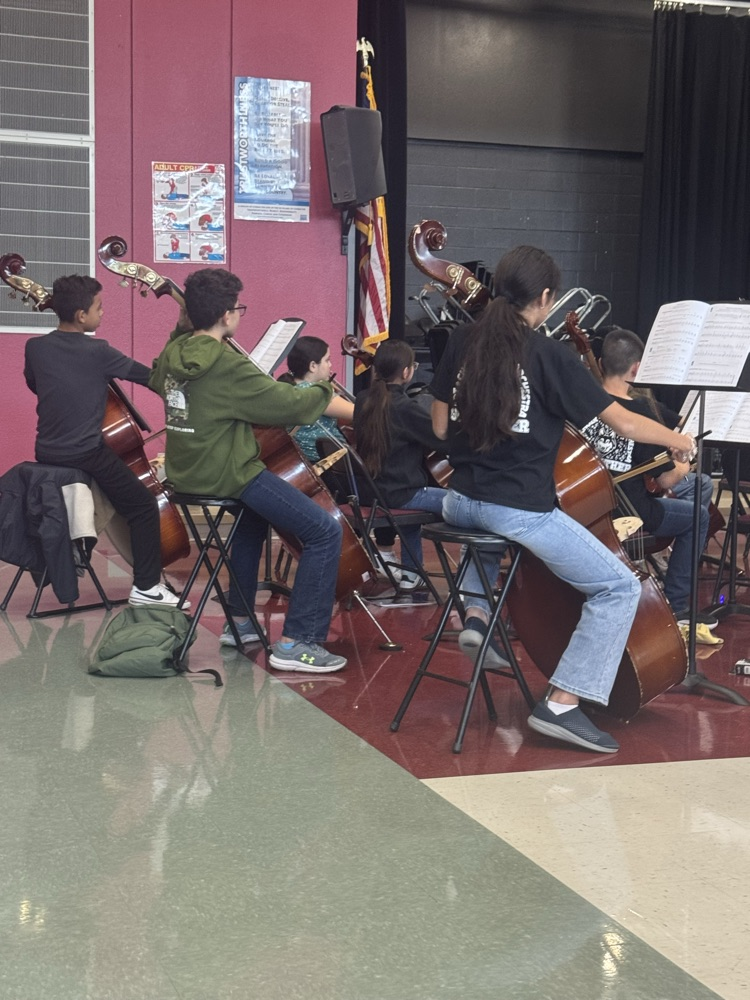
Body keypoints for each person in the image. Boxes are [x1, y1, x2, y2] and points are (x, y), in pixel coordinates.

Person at [430, 246, 695, 754]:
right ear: (546, 297)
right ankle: (561, 705)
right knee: (618, 586)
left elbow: (441, 426)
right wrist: (675, 439)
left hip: (459, 501)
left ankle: (478, 612)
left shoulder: (463, 340)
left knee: (495, 527)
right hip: (516, 511)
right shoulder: (549, 355)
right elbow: (621, 420)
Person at [149, 268, 347, 673]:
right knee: (325, 531)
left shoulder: (174, 352)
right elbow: (292, 407)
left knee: (253, 517)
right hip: (226, 472)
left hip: (186, 471)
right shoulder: (226, 364)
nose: (239, 314)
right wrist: (325, 387)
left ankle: (239, 619)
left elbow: (156, 382)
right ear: (225, 316)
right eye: (237, 308)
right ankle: (298, 642)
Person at [23, 274, 180, 608]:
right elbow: (152, 378)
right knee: (142, 506)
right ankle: (147, 587)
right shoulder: (98, 351)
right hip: (83, 453)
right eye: (99, 307)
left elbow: (37, 385)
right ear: (81, 316)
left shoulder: (35, 348)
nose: (103, 313)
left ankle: (80, 543)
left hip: (46, 450)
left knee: (110, 486)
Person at [579, 327, 714, 627]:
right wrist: (684, 465)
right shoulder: (638, 413)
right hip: (629, 509)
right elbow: (665, 481)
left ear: (600, 364)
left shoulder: (583, 403)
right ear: (637, 368)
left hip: (585, 503)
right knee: (698, 516)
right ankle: (678, 605)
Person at [353, 340, 447, 590]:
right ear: (406, 372)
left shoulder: (362, 400)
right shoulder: (406, 407)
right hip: (400, 495)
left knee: (412, 509)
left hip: (369, 493)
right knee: (467, 503)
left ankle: (410, 574)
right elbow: (441, 439)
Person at [278, 335, 353, 463]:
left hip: (307, 463)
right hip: (333, 464)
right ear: (313, 366)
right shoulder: (316, 393)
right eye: (327, 360)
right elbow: (360, 413)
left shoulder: (291, 389)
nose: (330, 365)